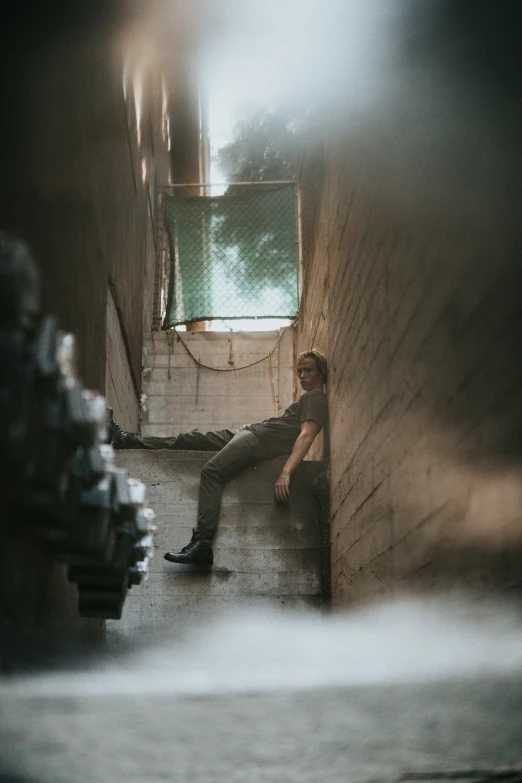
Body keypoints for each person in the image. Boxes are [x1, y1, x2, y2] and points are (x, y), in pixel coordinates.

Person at [110, 349, 328, 565]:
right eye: (299, 371)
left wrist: (286, 472)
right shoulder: (306, 398)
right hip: (251, 434)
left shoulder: (315, 399)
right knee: (189, 439)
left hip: (256, 440)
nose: (302, 376)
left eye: (308, 370)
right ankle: (126, 440)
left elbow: (307, 435)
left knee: (212, 472)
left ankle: (202, 545)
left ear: (321, 373)